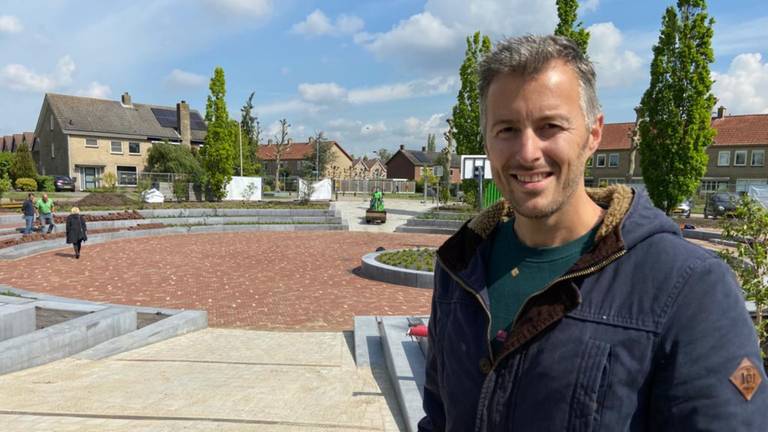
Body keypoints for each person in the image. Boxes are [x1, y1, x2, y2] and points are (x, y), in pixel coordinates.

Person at [419, 35, 767, 432]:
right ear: (486, 140)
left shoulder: (688, 286)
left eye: (550, 126)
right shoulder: (460, 265)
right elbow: (439, 417)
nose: (528, 152)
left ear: (593, 134)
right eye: (507, 129)